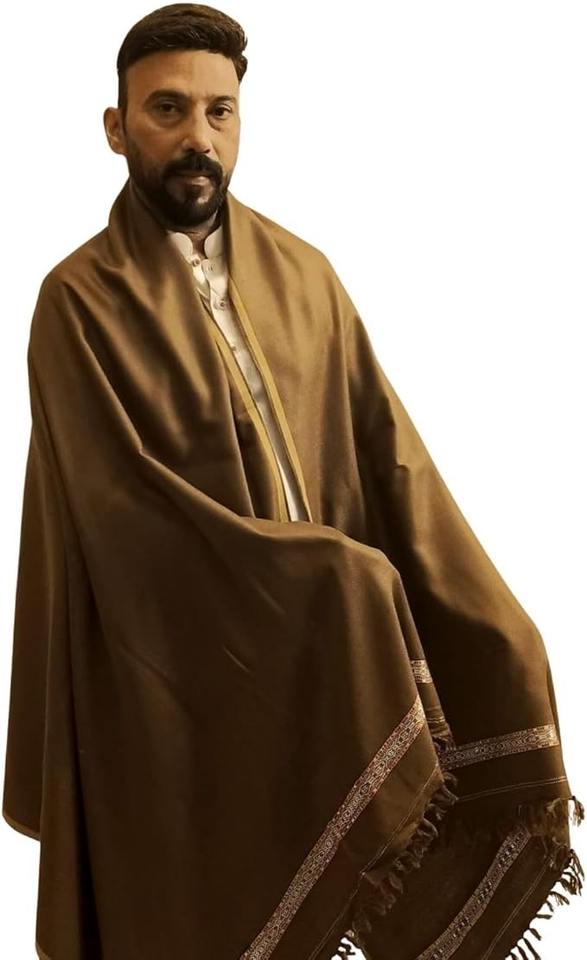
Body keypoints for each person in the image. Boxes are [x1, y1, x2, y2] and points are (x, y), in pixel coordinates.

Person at [2, 5, 583, 960]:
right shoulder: (76, 301)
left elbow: (391, 458)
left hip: (313, 638)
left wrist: (485, 612)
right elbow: (123, 516)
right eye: (167, 109)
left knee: (501, 644)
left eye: (219, 112)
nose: (197, 136)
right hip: (178, 659)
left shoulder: (305, 274)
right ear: (115, 128)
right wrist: (323, 580)